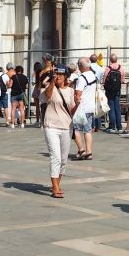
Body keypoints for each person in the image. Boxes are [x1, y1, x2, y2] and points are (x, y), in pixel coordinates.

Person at [43, 66, 77, 198]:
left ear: (66, 77)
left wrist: (78, 104)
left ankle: (57, 183)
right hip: (51, 125)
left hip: (66, 126)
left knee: (63, 159)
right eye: (56, 74)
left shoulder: (70, 91)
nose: (58, 76)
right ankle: (55, 188)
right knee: (55, 157)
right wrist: (51, 80)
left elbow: (72, 111)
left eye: (61, 75)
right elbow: (47, 96)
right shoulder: (50, 87)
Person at [68, 58, 99, 160]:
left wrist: (75, 106)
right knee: (88, 130)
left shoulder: (82, 78)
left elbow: (78, 95)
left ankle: (81, 150)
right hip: (90, 107)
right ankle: (89, 152)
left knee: (75, 129)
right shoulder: (93, 75)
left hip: (82, 107)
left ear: (81, 66)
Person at [102, 53, 124, 133]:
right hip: (117, 90)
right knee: (117, 107)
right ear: (117, 59)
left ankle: (112, 126)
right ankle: (119, 126)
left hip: (109, 90)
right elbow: (122, 80)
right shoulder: (121, 68)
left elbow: (104, 79)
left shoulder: (108, 68)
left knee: (111, 107)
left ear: (110, 60)